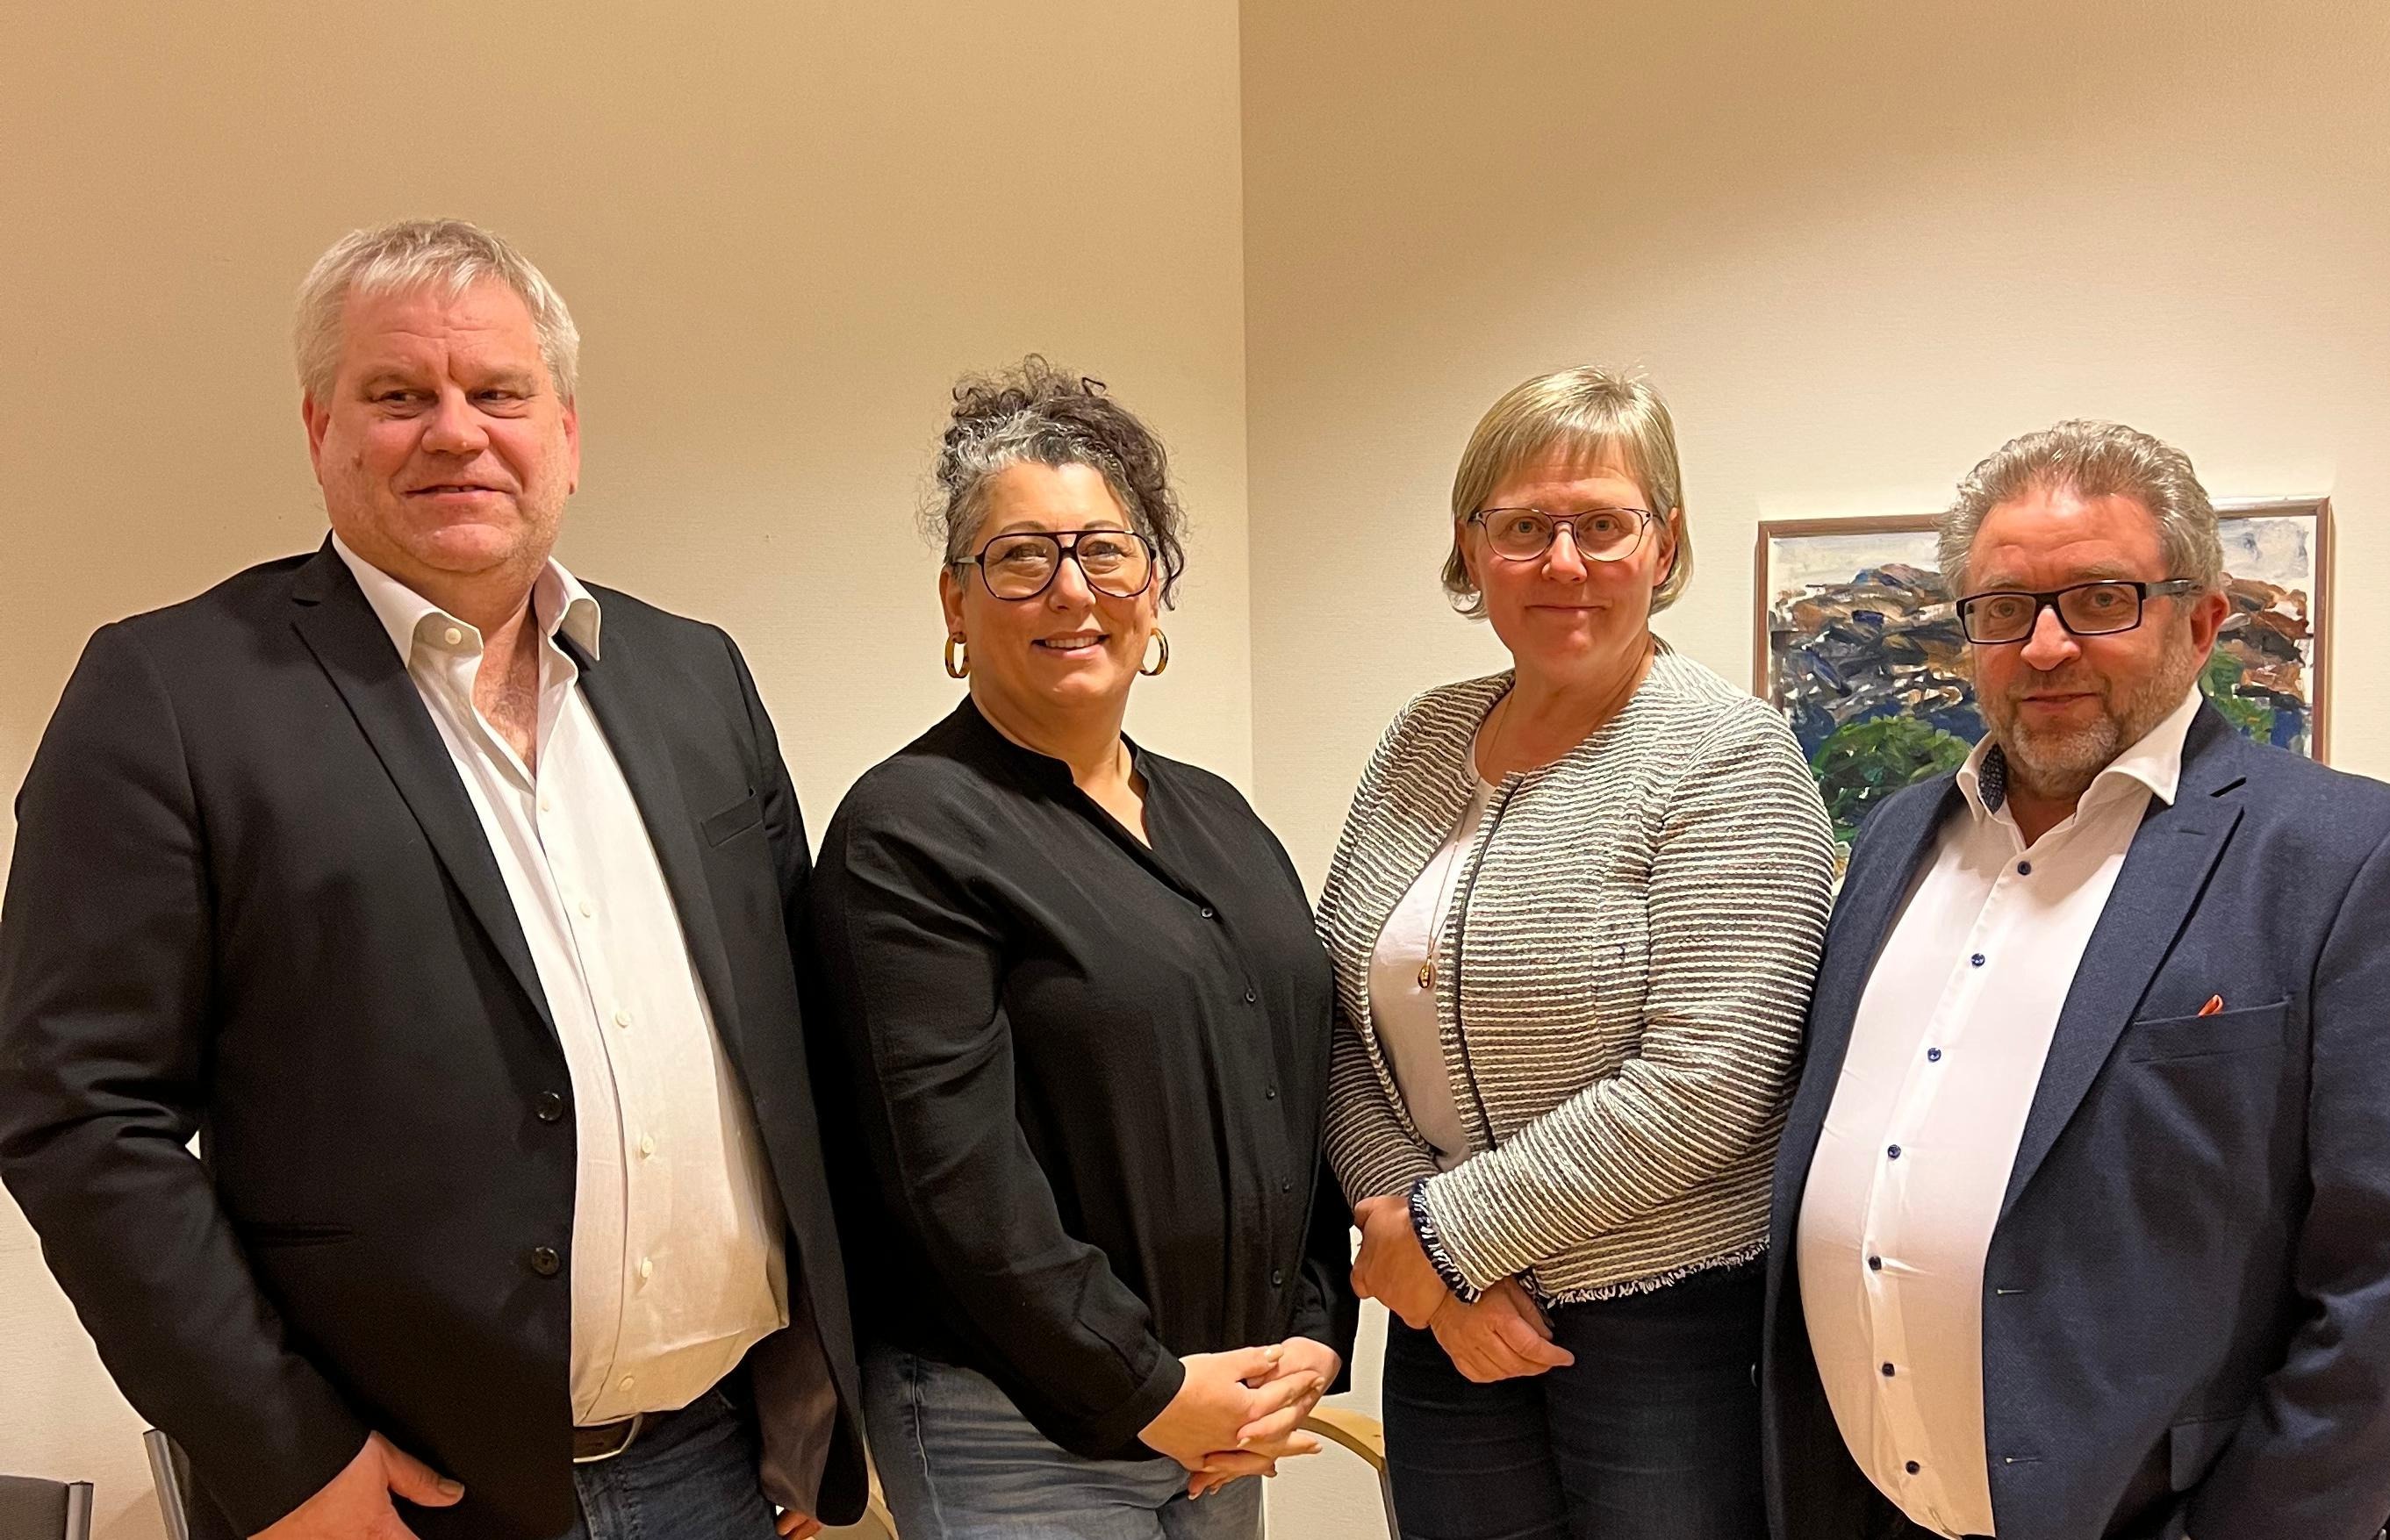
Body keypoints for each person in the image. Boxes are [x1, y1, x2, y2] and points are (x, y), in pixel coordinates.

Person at [0, 220, 865, 1540]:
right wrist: (286, 1456)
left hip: (722, 1466)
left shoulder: (697, 675)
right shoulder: (170, 694)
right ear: (320, 430)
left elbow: (788, 1048)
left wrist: (814, 1409)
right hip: (395, 1497)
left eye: (499, 393)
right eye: (399, 395)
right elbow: (77, 1109)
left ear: (564, 433)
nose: (456, 432)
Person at [1762, 420, 2390, 1540]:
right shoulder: (1892, 841)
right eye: (2002, 609)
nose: (2043, 647)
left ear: (2199, 622)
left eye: (2100, 600)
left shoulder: (2354, 859)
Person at [803, 358, 1356, 1539]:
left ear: (1154, 589)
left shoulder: (1219, 817)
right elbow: (950, 1180)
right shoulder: (907, 830)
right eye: (1020, 557)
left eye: (1106, 551)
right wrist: (1145, 1389)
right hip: (1014, 1428)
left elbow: (1297, 1082)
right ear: (955, 604)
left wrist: (1313, 1325)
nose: (1071, 590)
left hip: (1229, 1406)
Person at [1319, 367, 1838, 1540]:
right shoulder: (1422, 735)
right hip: (1442, 1315)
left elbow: (1709, 1079)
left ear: (1665, 543)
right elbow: (1338, 1013)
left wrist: (1446, 1239)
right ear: (1471, 548)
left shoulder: (1727, 756)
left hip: (1664, 1328)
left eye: (1601, 524)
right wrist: (1402, 1230)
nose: (1563, 562)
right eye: (1522, 527)